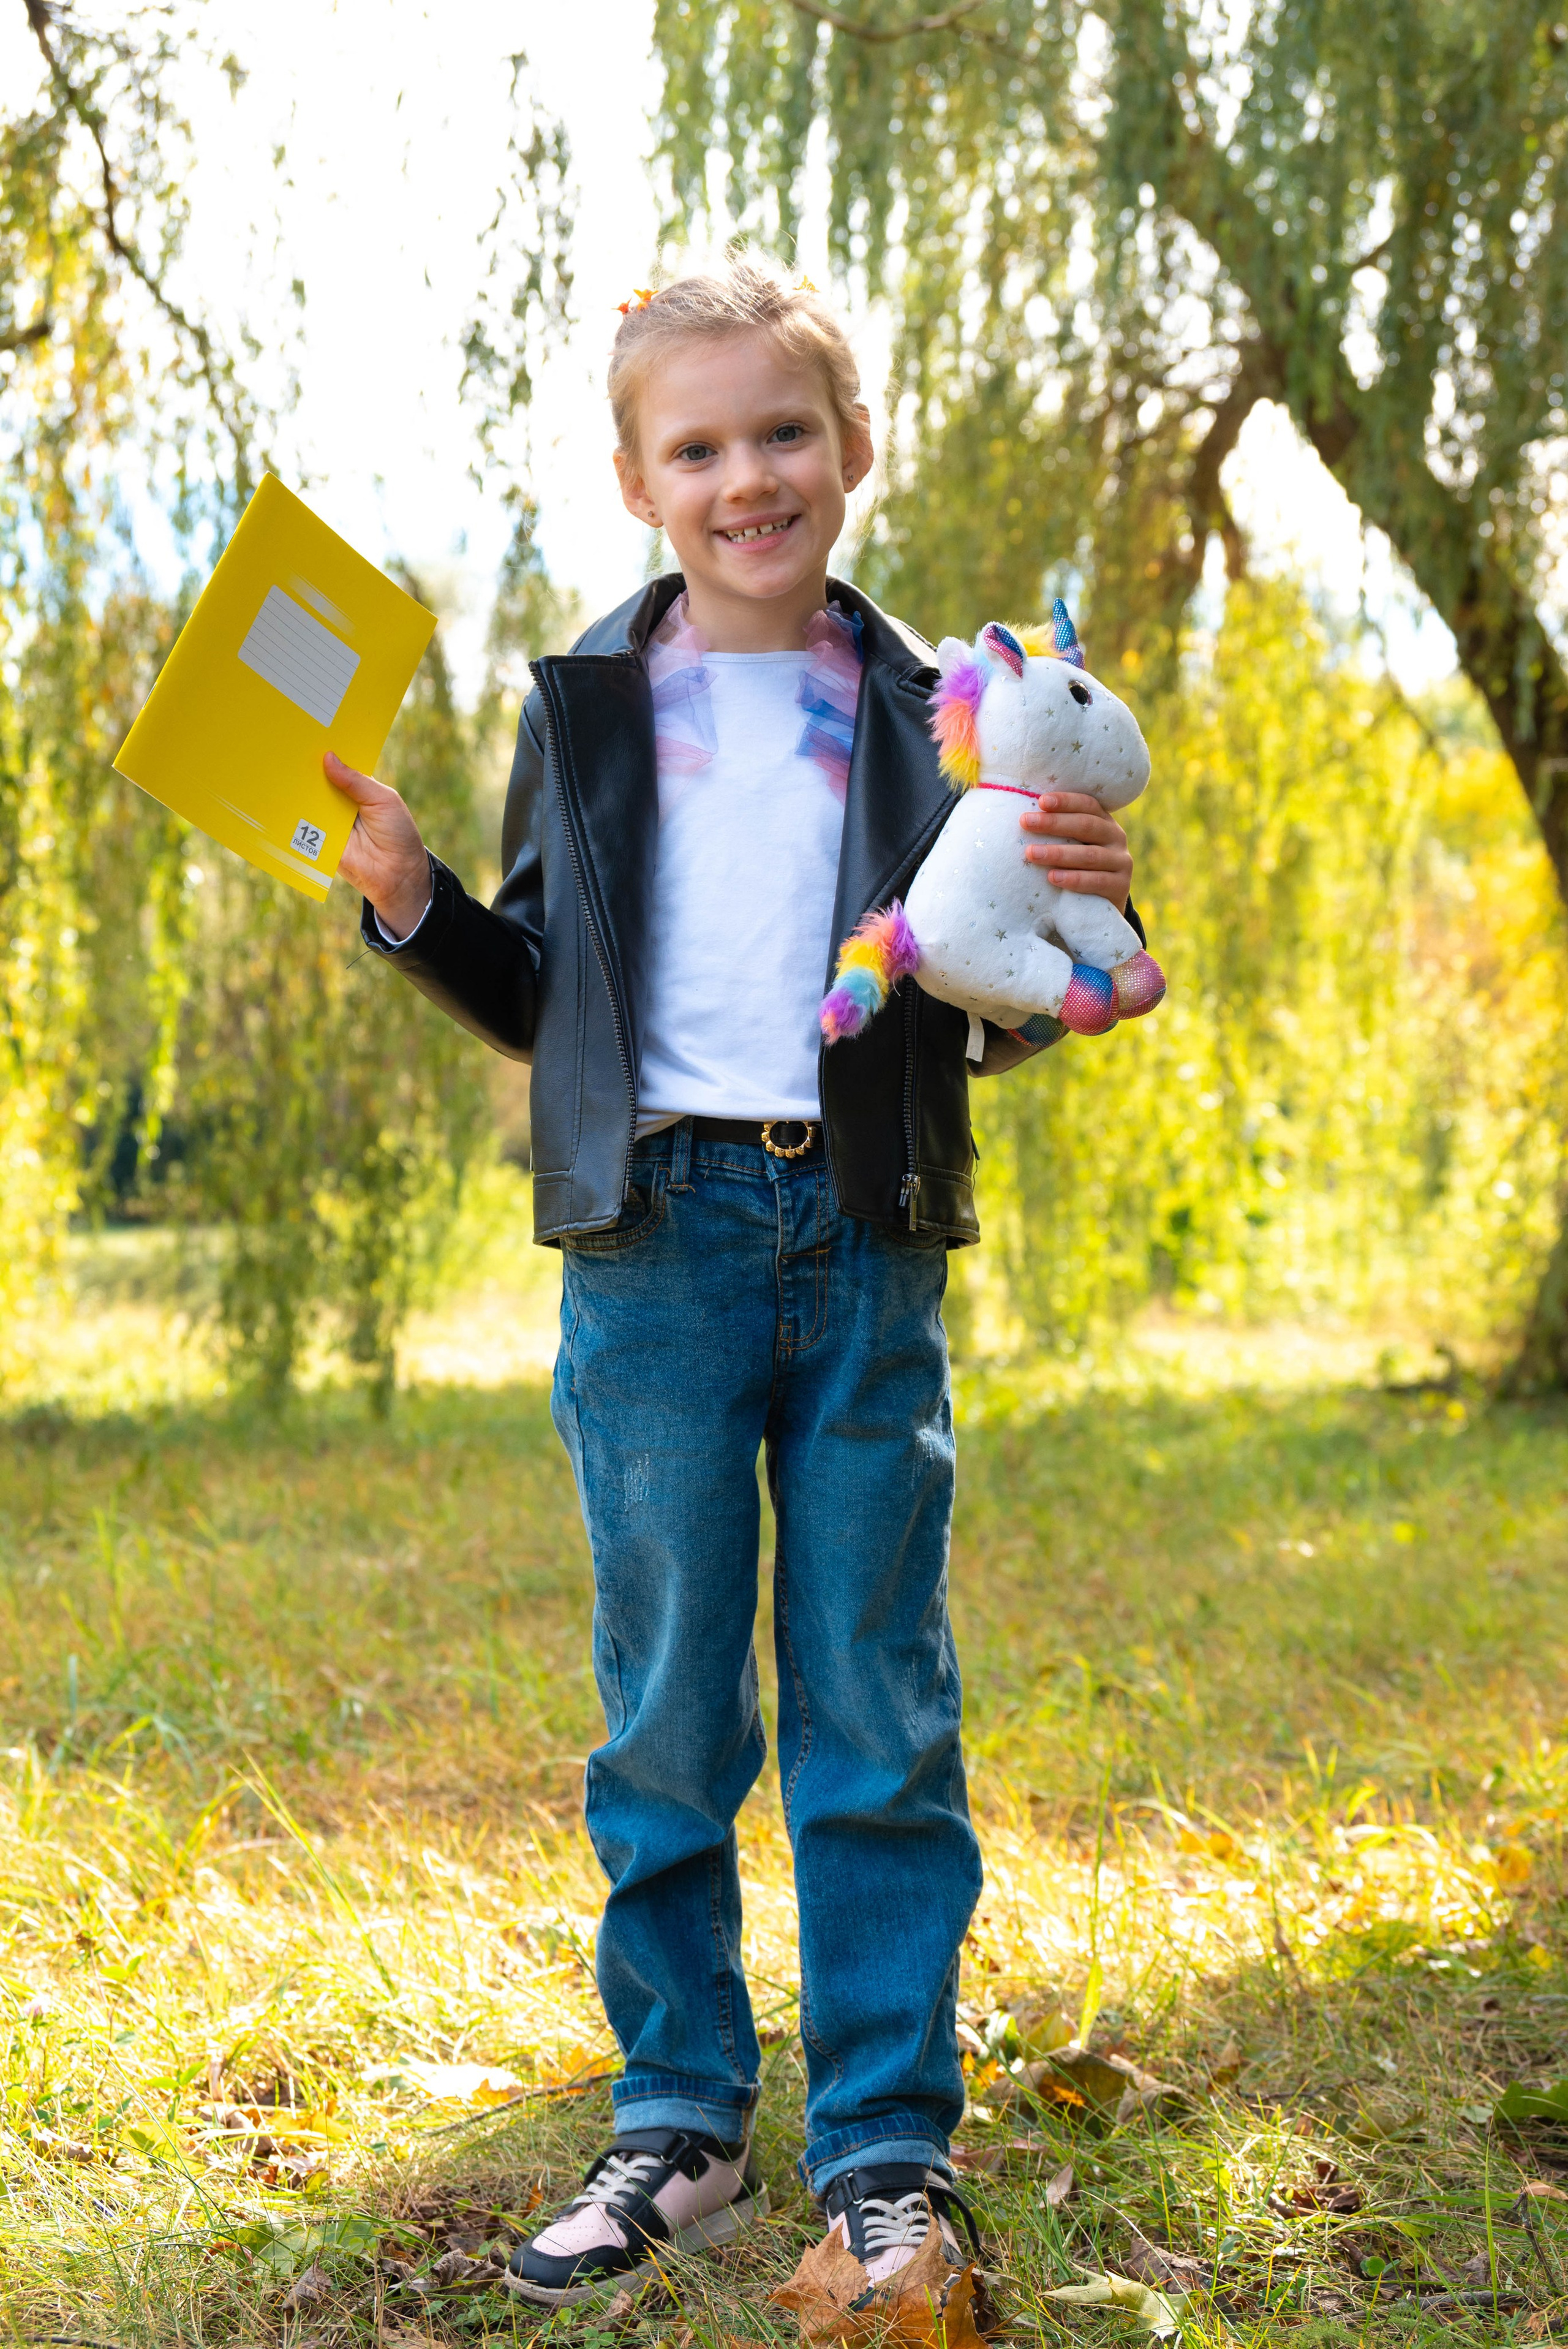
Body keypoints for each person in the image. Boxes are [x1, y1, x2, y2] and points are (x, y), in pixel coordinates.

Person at [326, 254, 1145, 2310]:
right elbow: (543, 997)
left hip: (861, 1234)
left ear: (852, 452)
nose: (747, 476)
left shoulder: (939, 709)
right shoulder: (591, 706)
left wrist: (1075, 964)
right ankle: (680, 2114)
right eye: (698, 446)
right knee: (670, 1707)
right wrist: (419, 906)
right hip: (657, 1249)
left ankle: (888, 2144)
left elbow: (976, 983)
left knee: (876, 1697)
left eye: (784, 433)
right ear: (637, 481)